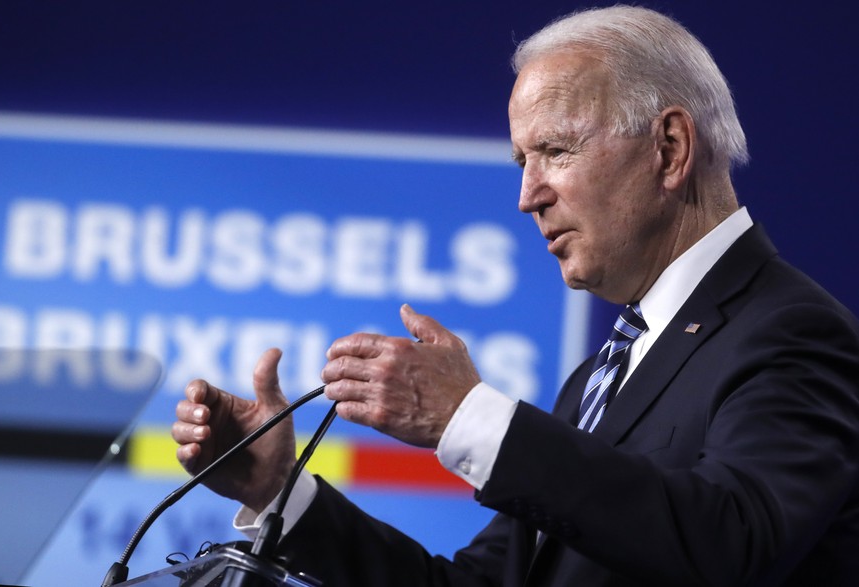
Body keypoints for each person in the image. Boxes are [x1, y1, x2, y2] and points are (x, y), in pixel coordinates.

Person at [171, 5, 859, 586]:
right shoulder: (597, 378)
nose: (527, 195)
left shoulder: (791, 332)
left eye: (555, 151)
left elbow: (735, 541)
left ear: (670, 148)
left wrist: (468, 416)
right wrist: (278, 492)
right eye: (520, 160)